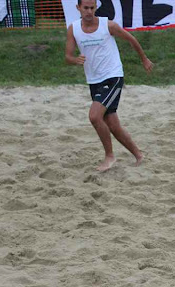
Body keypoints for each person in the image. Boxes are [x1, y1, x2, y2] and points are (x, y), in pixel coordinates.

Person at [65, 0, 153, 172]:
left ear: (96, 8)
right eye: (85, 8)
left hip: (112, 77)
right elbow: (67, 56)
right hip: (94, 81)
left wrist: (144, 59)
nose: (89, 11)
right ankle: (139, 155)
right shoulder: (73, 28)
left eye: (92, 8)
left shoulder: (108, 25)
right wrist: (75, 60)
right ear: (78, 8)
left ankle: (109, 156)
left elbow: (131, 39)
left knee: (94, 116)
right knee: (112, 124)